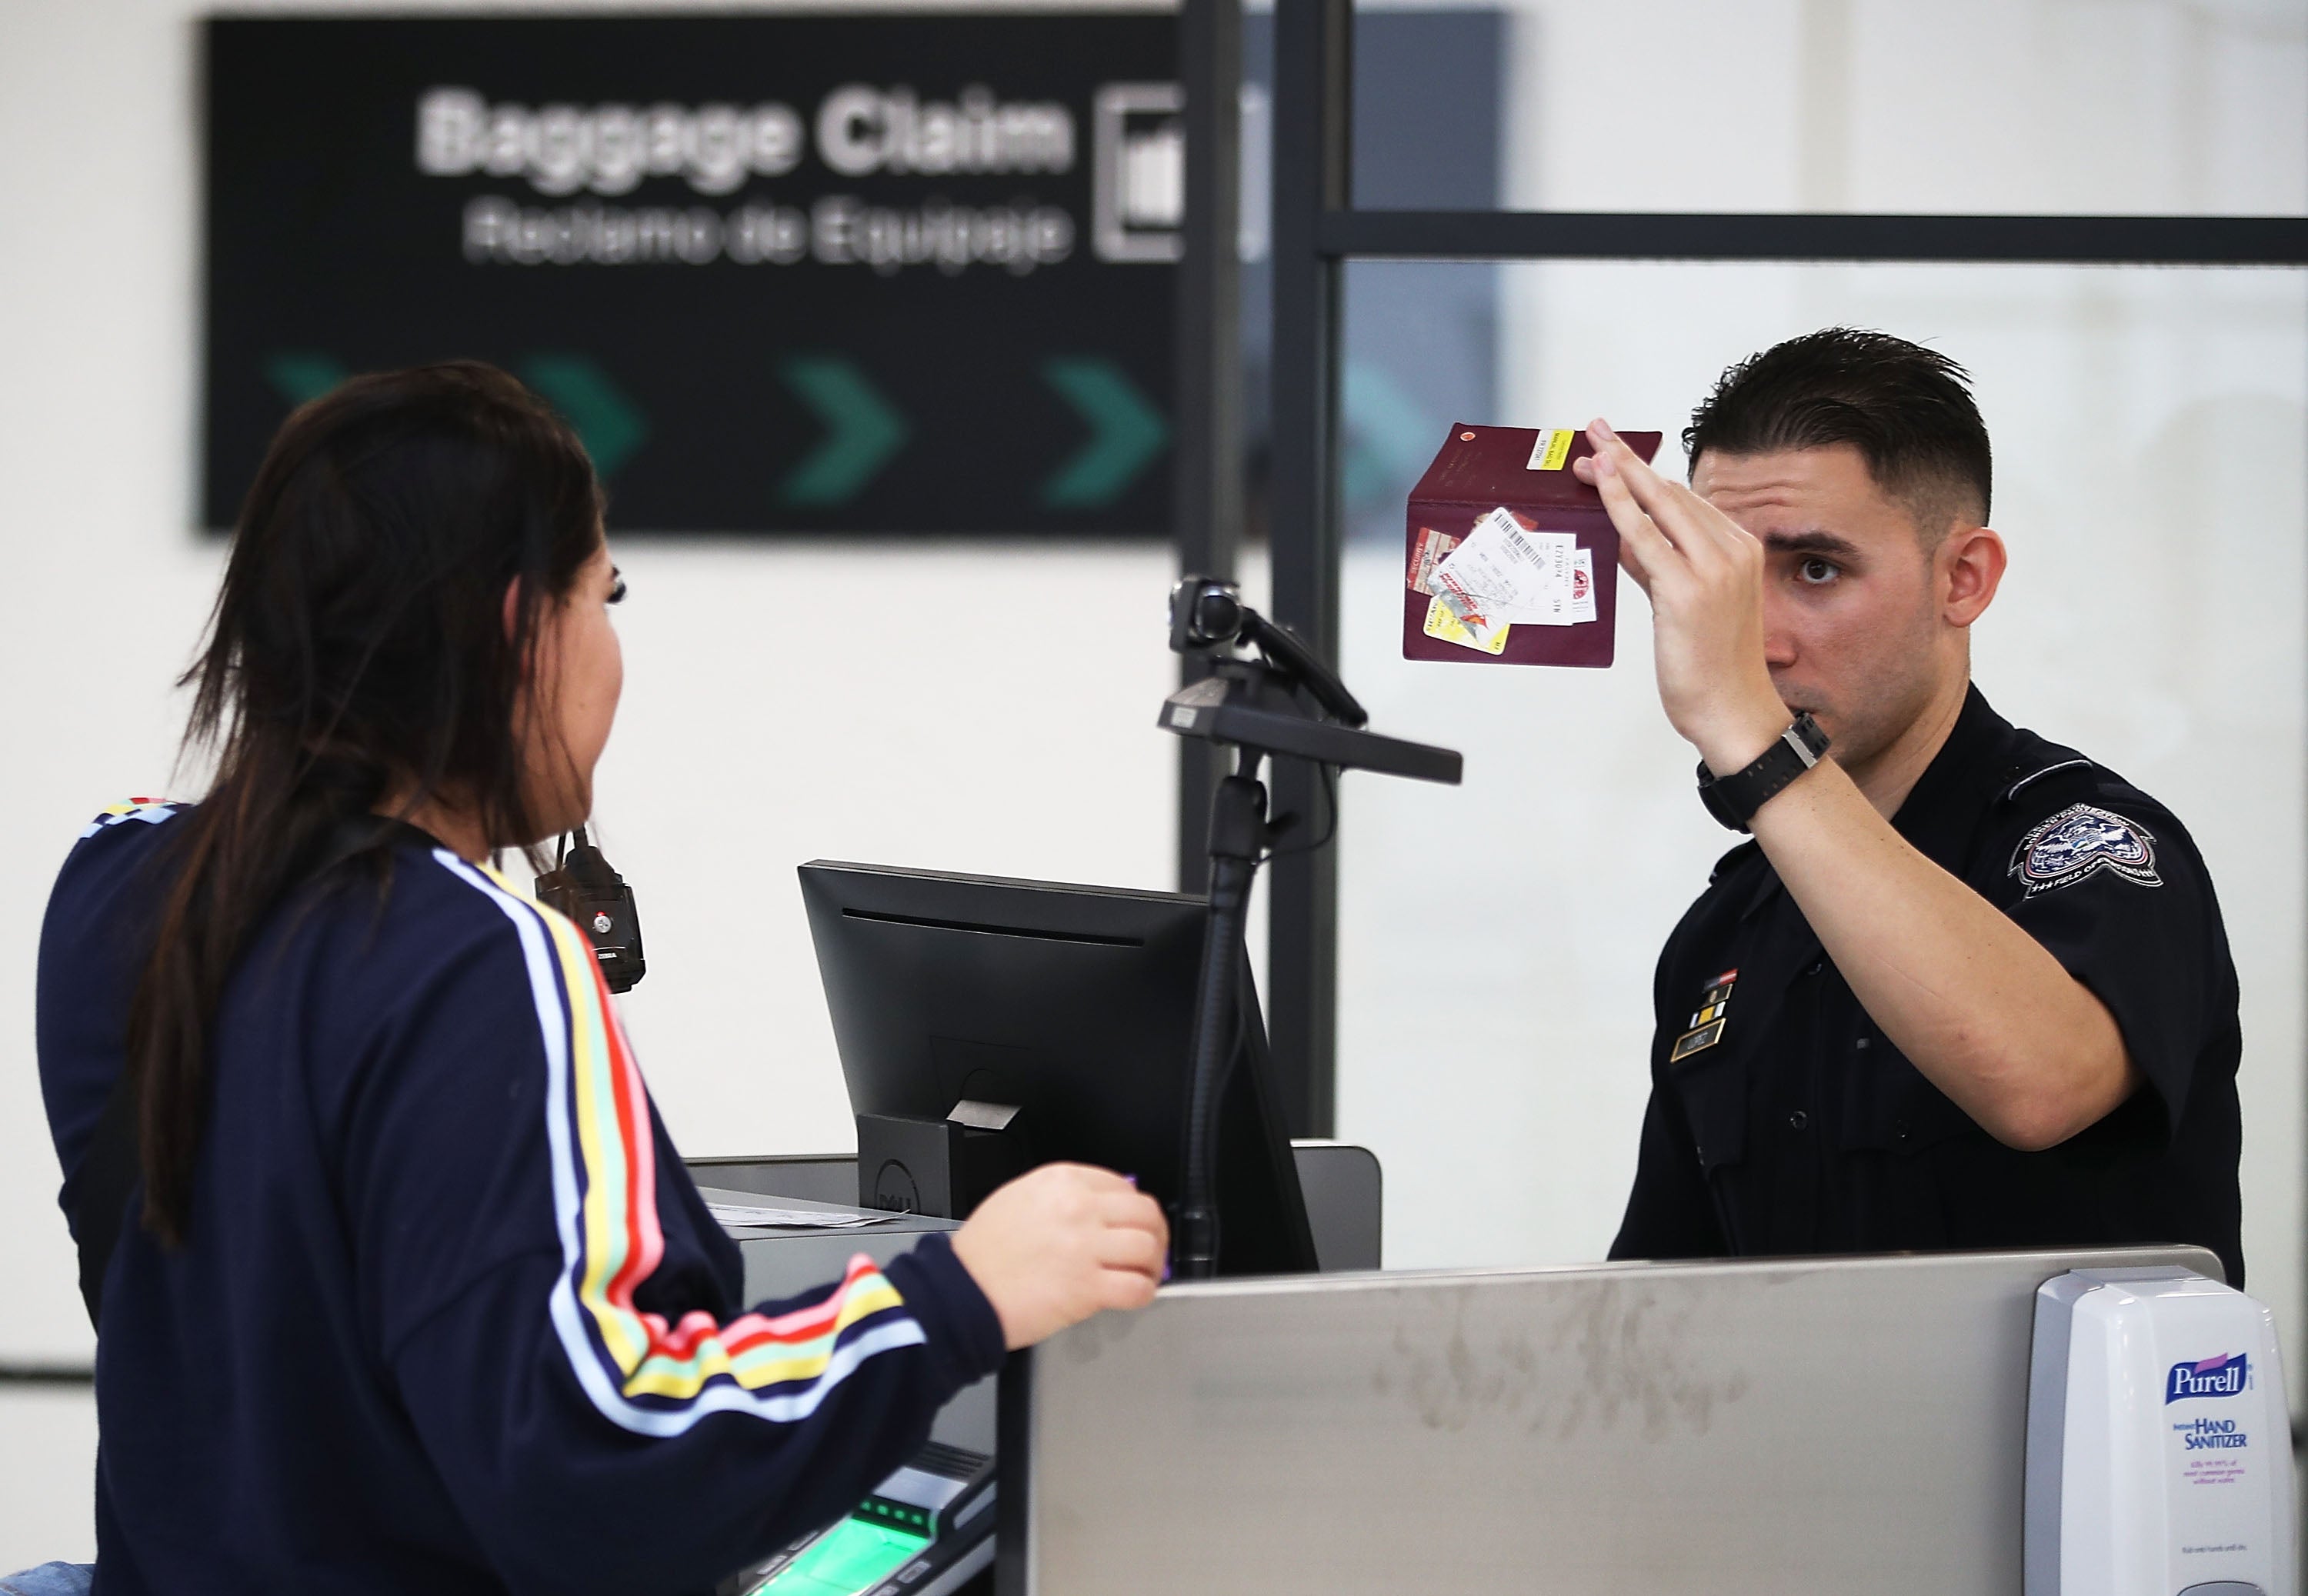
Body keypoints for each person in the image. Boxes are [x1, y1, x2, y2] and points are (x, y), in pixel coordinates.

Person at [32, 362, 1169, 1596]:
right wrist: (962, 1291)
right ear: (521, 627)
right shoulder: (480, 961)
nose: (613, 647)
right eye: (604, 594)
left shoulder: (118, 881)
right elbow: (606, 1467)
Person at [1580, 328, 2242, 1283]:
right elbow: (1655, 1324)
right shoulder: (1723, 930)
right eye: (1722, 577)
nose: (1753, 639)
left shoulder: (2091, 844)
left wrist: (1758, 747)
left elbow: (2037, 1081)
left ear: (1962, 579)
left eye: (1815, 569)